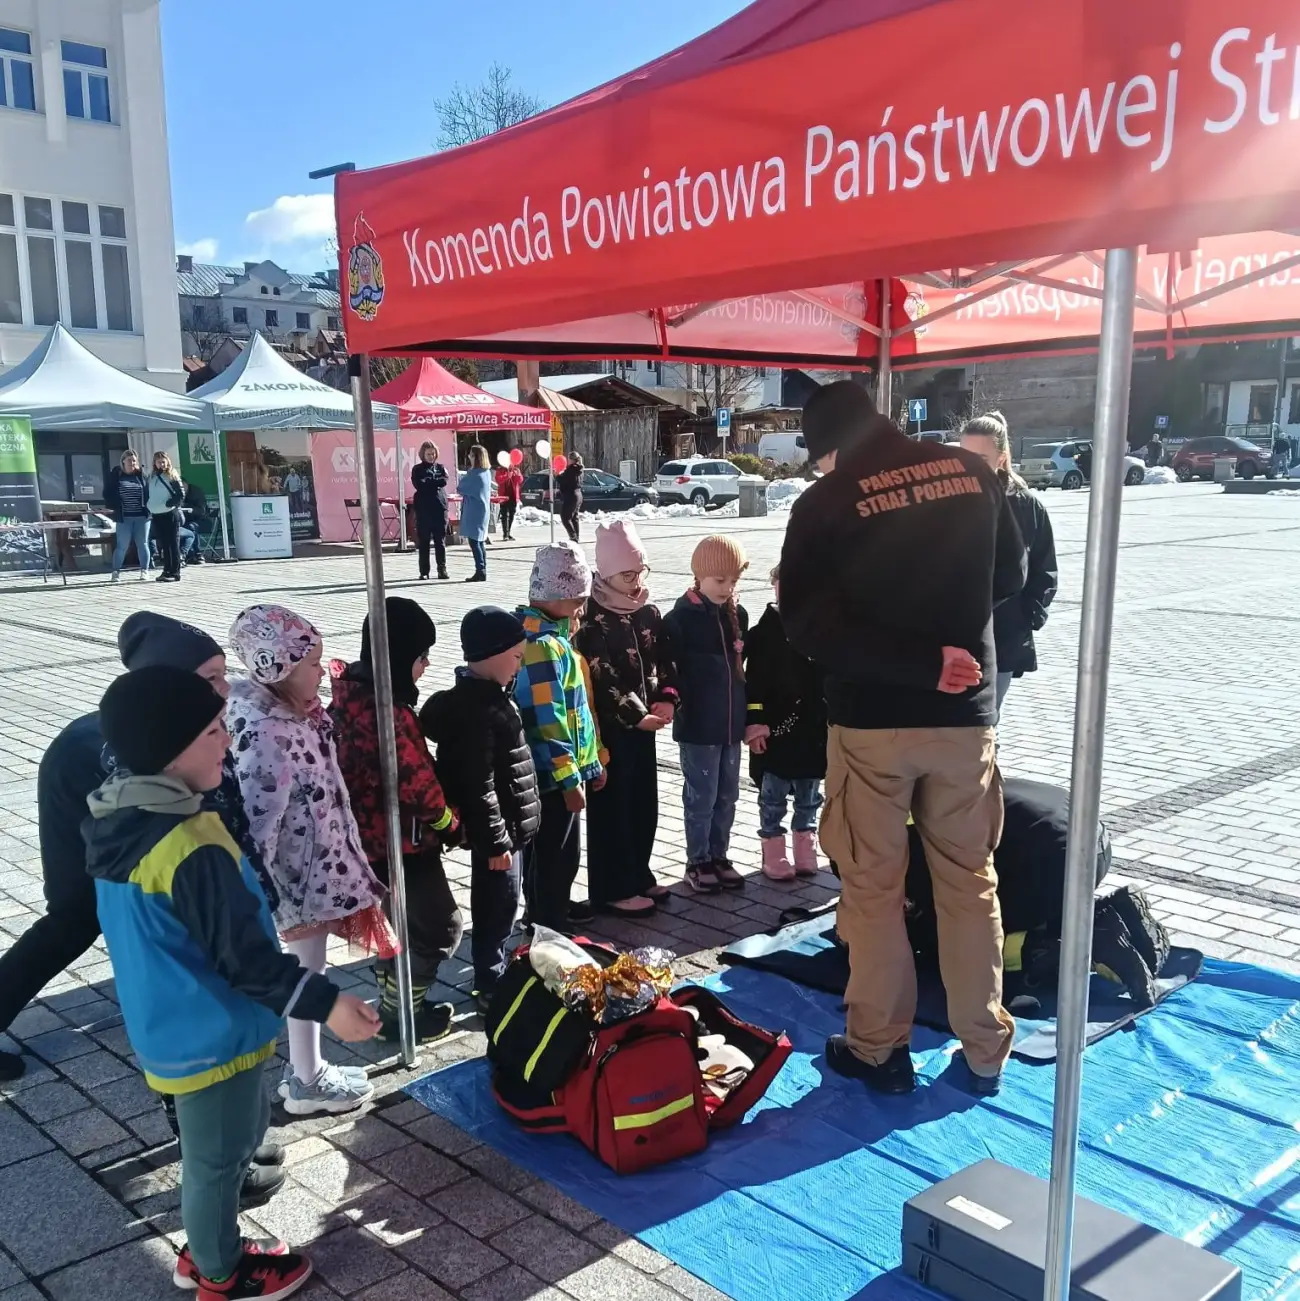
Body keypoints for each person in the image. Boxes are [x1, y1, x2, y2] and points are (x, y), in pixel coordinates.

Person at [86, 665, 380, 1301]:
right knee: (217, 1163)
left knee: (230, 1142)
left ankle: (211, 1244)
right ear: (173, 746)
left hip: (174, 1025)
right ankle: (220, 1274)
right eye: (214, 729)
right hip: (211, 1036)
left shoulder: (124, 817)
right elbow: (246, 960)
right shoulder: (189, 843)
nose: (228, 740)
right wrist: (330, 1006)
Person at [779, 380, 1027, 1097]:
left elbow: (807, 625)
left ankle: (878, 1047)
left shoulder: (823, 503)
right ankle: (985, 1048)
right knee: (969, 882)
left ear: (825, 448)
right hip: (965, 720)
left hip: (873, 722)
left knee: (874, 887)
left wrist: (915, 661)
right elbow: (1008, 573)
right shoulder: (973, 471)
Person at [0, 615, 278, 1105]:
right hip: (75, 788)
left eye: (223, 672)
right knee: (81, 919)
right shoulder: (133, 755)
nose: (227, 688)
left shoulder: (184, 728)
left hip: (100, 803)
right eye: (211, 678)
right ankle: (188, 1113)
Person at [226, 605, 394, 1115]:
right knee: (305, 979)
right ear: (277, 667)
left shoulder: (292, 714)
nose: (323, 672)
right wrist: (263, 894)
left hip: (315, 871)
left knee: (309, 972)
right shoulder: (269, 735)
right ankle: (306, 1078)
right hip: (297, 881)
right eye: (313, 664)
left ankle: (306, 1066)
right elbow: (258, 826)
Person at [330, 598, 463, 1043]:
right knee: (440, 928)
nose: (426, 666)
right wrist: (451, 825)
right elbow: (418, 786)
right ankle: (400, 1009)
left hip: (365, 846)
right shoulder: (390, 714)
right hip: (403, 846)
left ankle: (395, 1000)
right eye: (422, 657)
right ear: (402, 658)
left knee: (395, 927)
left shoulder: (347, 700)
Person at [421, 607, 540, 1007]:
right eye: (516, 658)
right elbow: (479, 784)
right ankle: (490, 981)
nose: (518, 667)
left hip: (509, 830)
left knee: (506, 903)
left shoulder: (489, 699)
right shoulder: (481, 711)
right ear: (492, 654)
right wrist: (496, 843)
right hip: (499, 836)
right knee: (497, 907)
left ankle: (496, 969)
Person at [574, 521, 678, 915]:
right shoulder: (592, 617)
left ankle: (638, 873)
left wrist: (667, 699)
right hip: (612, 730)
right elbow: (602, 675)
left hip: (646, 726)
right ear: (604, 573)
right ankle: (612, 886)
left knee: (642, 804)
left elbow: (665, 660)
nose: (635, 582)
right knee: (613, 807)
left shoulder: (647, 612)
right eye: (626, 575)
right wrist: (635, 715)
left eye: (639, 572)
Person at [514, 543, 604, 931]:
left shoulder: (555, 638)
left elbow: (576, 713)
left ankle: (554, 905)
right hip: (550, 776)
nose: (583, 610)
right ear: (559, 597)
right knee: (553, 852)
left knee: (562, 850)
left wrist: (591, 763)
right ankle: (545, 919)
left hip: (566, 770)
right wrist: (569, 778)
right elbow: (549, 720)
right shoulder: (541, 647)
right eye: (579, 601)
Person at [663, 536, 751, 895]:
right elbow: (670, 669)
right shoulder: (681, 618)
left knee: (728, 794)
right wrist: (672, 700)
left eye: (733, 581)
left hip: (730, 724)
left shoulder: (737, 615)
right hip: (699, 726)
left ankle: (719, 854)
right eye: (719, 581)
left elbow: (742, 671)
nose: (727, 588)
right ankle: (697, 860)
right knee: (702, 795)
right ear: (699, 576)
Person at [959, 412, 1058, 716]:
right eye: (964, 456)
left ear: (1001, 459)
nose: (970, 465)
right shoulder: (946, 500)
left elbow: (1044, 569)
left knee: (986, 719)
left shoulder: (1026, 507)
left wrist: (1029, 616)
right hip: (953, 634)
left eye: (981, 457)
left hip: (1003, 634)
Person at [743, 562, 827, 882]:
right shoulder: (765, 633)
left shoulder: (818, 630)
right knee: (773, 795)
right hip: (774, 731)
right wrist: (755, 722)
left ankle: (805, 845)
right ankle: (773, 848)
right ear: (774, 587)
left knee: (809, 794)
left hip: (811, 730)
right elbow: (754, 684)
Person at [105, 449, 151, 583]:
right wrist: (114, 506)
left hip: (142, 516)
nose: (132, 463)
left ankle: (144, 570)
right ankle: (116, 572)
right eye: (130, 460)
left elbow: (149, 493)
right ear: (123, 461)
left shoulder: (142, 476)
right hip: (124, 517)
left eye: (134, 461)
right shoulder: (117, 476)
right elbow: (108, 493)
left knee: (142, 544)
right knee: (122, 545)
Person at [411, 441, 449, 581]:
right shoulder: (417, 469)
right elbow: (419, 484)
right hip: (424, 510)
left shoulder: (441, 467)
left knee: (440, 541)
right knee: (424, 542)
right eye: (428, 454)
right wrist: (433, 481)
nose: (431, 456)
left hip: (439, 509)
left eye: (433, 453)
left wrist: (429, 481)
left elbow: (443, 481)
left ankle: (442, 569)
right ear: (423, 454)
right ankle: (424, 571)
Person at [147, 451, 186, 583]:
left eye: (163, 461)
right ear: (155, 463)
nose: (161, 464)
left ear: (168, 461)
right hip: (157, 514)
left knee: (173, 543)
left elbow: (181, 494)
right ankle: (166, 569)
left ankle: (175, 572)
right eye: (159, 461)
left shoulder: (172, 475)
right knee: (163, 544)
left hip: (170, 513)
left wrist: (169, 503)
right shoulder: (152, 477)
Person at [459, 445, 492, 582]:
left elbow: (461, 487)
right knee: (480, 540)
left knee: (474, 541)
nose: (469, 457)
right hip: (483, 509)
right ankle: (482, 568)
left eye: (471, 455)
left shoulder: (475, 474)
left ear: (476, 457)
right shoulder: (487, 472)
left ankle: (480, 569)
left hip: (474, 511)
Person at [556, 453, 584, 542]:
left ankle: (573, 536)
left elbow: (564, 480)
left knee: (565, 517)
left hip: (571, 495)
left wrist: (556, 475)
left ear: (571, 459)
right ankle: (576, 537)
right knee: (574, 517)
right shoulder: (579, 469)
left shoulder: (571, 469)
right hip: (578, 494)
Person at [495, 459, 523, 541]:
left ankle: (508, 533)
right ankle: (505, 534)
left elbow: (520, 480)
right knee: (504, 515)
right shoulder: (500, 470)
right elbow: (498, 480)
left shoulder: (516, 470)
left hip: (513, 496)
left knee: (511, 515)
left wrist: (516, 473)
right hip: (503, 496)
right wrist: (508, 475)